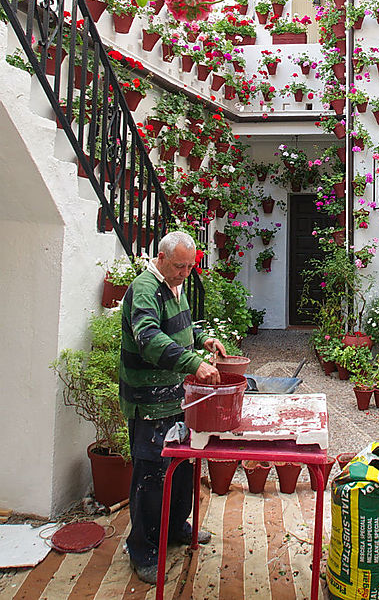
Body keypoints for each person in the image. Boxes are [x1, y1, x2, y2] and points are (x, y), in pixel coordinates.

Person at [119, 231, 226, 584]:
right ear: (161, 259)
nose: (185, 273)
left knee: (181, 469)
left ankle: (177, 526)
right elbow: (148, 337)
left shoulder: (174, 285)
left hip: (176, 397)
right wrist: (194, 364)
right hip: (149, 400)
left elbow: (179, 329)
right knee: (151, 476)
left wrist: (202, 339)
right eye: (179, 266)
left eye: (189, 267)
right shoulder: (146, 288)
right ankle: (144, 550)